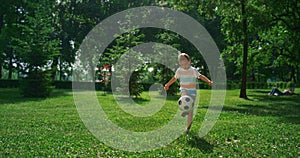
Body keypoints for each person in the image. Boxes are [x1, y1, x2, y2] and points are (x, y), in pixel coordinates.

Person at [164, 53, 213, 134]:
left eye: (185, 64)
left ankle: (187, 128)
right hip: (184, 90)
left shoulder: (193, 70)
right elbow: (174, 79)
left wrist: (208, 81)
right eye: (182, 64)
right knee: (184, 97)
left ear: (189, 61)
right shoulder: (179, 70)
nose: (184, 66)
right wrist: (167, 85)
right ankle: (185, 108)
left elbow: (201, 76)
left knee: (190, 111)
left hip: (192, 92)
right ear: (180, 64)